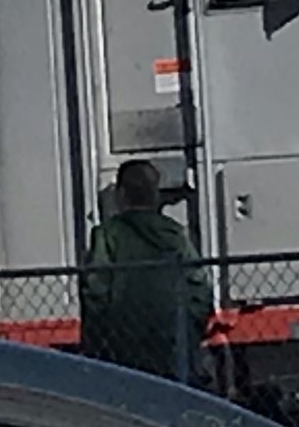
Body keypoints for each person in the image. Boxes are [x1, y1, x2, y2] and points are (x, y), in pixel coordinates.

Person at [78, 158, 213, 384]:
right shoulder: (174, 235)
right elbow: (200, 288)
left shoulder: (107, 235)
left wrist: (99, 339)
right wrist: (189, 330)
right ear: (155, 194)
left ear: (121, 194)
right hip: (171, 345)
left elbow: (95, 293)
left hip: (121, 349)